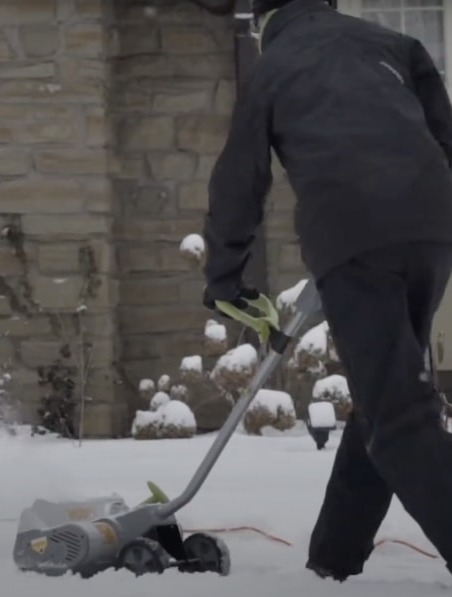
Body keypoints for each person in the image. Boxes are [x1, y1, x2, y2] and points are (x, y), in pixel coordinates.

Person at [201, 0, 452, 581]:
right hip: (433, 227)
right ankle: (333, 560)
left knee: (399, 417)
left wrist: (224, 279)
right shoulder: (390, 44)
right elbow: (444, 134)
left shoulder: (272, 64)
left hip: (351, 232)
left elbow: (239, 181)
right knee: (382, 400)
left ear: (262, 24)